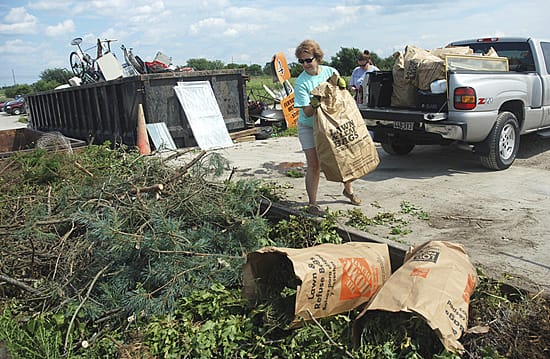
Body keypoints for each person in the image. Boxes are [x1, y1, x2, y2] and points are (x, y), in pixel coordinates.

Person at [293, 39, 361, 213]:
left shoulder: (330, 72)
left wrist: (343, 87)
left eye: (308, 60)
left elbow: (340, 95)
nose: (305, 64)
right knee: (314, 164)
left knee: (342, 156)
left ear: (317, 58)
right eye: (301, 61)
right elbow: (307, 112)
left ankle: (348, 190)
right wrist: (315, 102)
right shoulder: (301, 82)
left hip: (331, 124)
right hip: (309, 126)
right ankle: (312, 204)